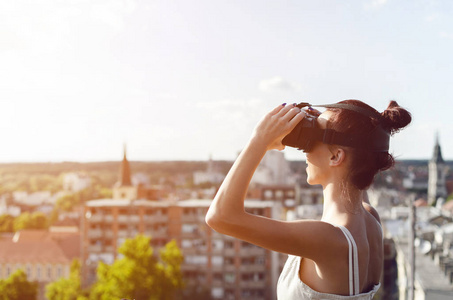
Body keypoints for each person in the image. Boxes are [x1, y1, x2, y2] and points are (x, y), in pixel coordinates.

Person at [205, 99, 411, 299]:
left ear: (335, 157)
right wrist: (321, 124)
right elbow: (363, 157)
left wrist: (259, 140)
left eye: (313, 140)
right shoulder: (370, 220)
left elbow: (221, 217)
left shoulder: (328, 238)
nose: (305, 150)